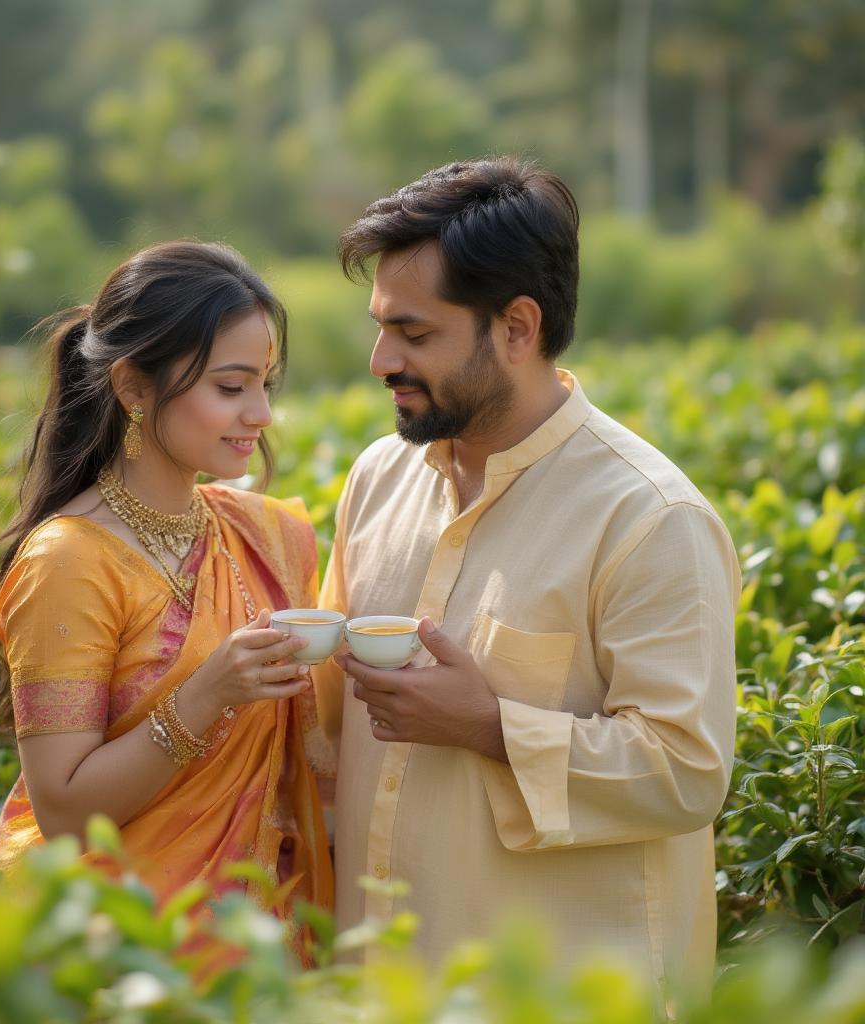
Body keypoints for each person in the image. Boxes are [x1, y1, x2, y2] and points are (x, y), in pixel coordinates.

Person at [314, 158, 740, 996]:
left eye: (414, 333)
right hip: (386, 990)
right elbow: (329, 726)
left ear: (516, 328)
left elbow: (686, 770)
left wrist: (490, 725)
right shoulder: (377, 480)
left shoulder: (648, 518)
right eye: (380, 327)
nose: (379, 360)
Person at [0, 241, 333, 963]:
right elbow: (66, 811)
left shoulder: (268, 535)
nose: (260, 413)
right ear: (134, 387)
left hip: (260, 951)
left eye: (266, 383)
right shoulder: (70, 563)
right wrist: (208, 694)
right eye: (231, 388)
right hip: (118, 955)